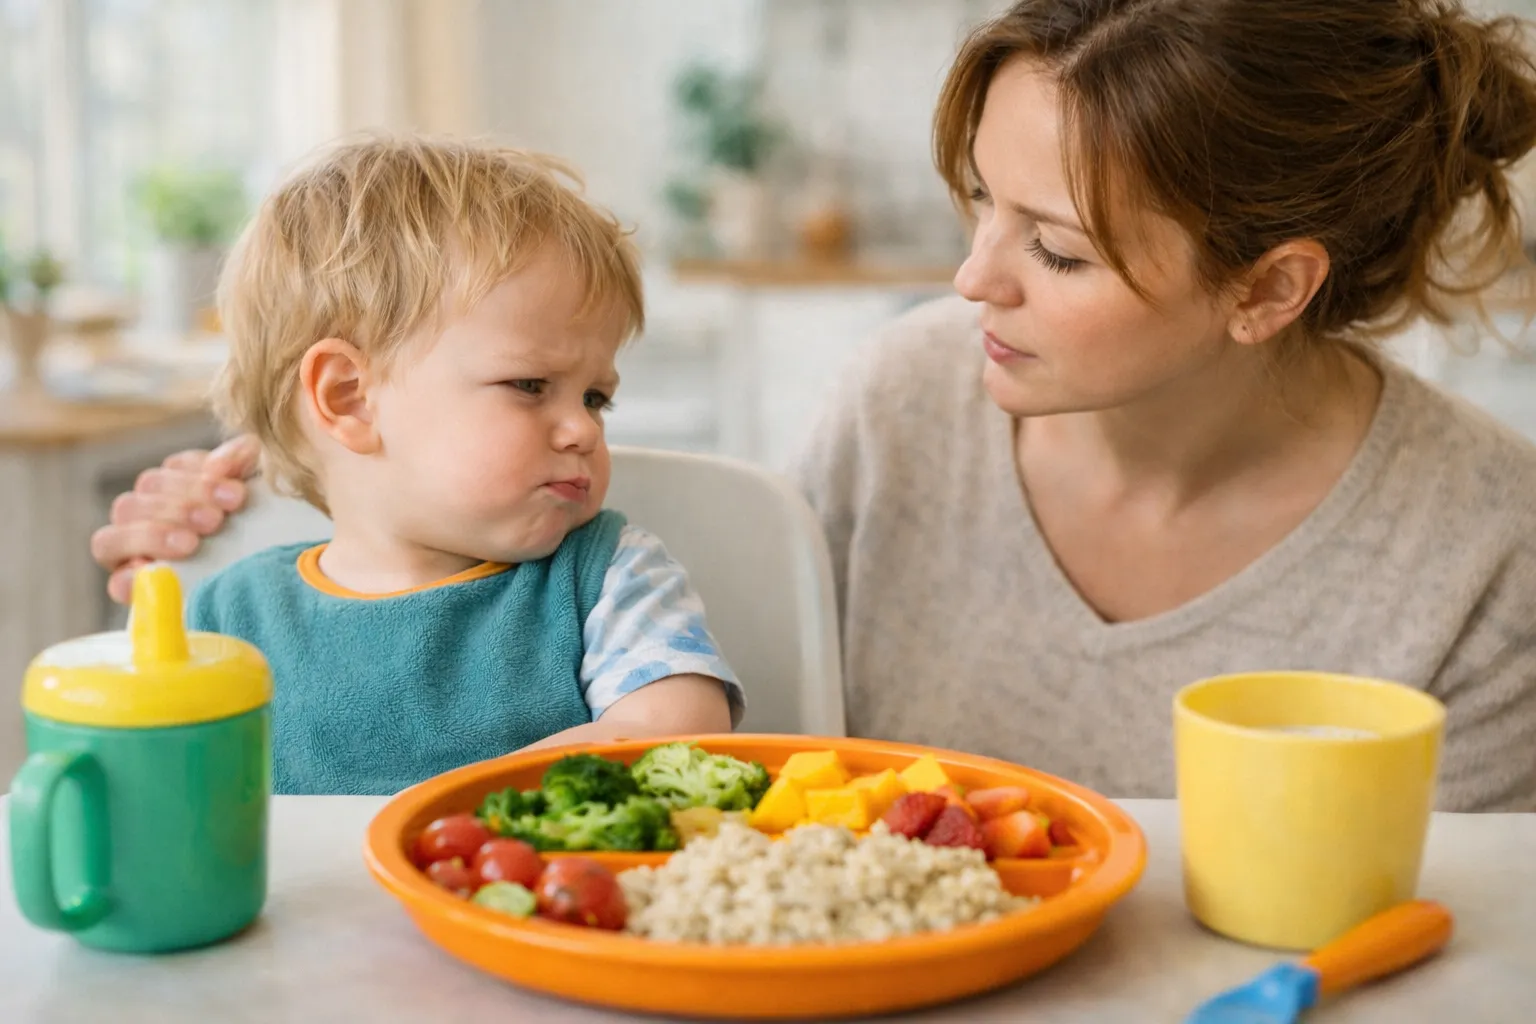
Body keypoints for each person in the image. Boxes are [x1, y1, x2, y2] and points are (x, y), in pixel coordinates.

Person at [91, 0, 1536, 810]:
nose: (972, 279)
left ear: (1269, 289)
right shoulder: (907, 398)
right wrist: (254, 515)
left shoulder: (1477, 544)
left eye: (1055, 249)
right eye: (980, 204)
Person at [152, 135, 740, 795]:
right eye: (530, 385)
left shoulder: (609, 575)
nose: (582, 428)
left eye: (596, 397)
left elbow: (677, 729)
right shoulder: (230, 616)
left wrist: (441, 810)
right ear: (350, 398)